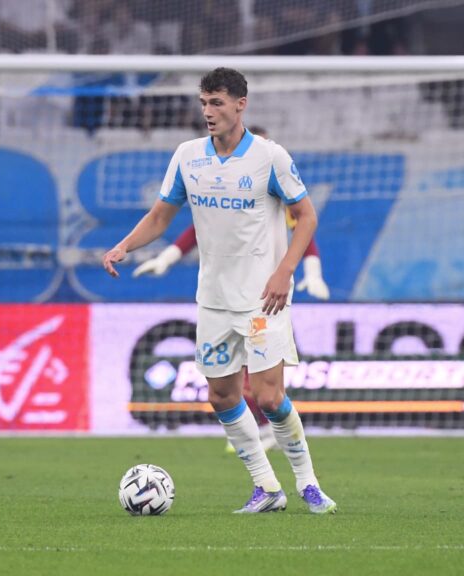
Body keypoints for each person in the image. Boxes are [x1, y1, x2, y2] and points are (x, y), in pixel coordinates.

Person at [103, 67, 337, 514]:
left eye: (217, 103)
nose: (208, 112)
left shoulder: (270, 157)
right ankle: (266, 489)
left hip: (262, 298)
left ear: (240, 104)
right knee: (222, 396)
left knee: (268, 397)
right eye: (203, 103)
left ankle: (308, 484)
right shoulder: (188, 156)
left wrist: (285, 271)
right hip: (212, 298)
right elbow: (161, 215)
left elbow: (306, 216)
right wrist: (123, 247)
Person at [133, 125, 330, 454]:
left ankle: (273, 432)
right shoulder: (225, 187)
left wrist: (312, 270)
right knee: (237, 374)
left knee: (263, 380)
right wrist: (167, 256)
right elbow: (199, 229)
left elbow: (304, 225)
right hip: (229, 293)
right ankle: (262, 432)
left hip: (268, 293)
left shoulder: (276, 187)